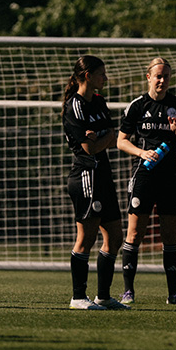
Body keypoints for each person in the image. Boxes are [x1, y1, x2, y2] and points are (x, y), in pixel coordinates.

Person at [116, 57, 176, 305]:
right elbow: (121, 141)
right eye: (158, 76)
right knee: (135, 232)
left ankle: (173, 294)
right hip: (145, 175)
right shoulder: (137, 106)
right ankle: (128, 291)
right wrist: (141, 152)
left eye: (166, 76)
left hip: (171, 176)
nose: (162, 80)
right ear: (148, 77)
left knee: (170, 235)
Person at [62, 55, 128, 310]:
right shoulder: (74, 105)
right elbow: (89, 149)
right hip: (86, 176)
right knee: (86, 238)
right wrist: (104, 137)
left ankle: (103, 296)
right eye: (102, 74)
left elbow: (114, 137)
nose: (106, 78)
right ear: (88, 76)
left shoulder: (99, 102)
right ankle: (78, 297)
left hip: (104, 175)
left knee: (114, 235)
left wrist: (103, 137)